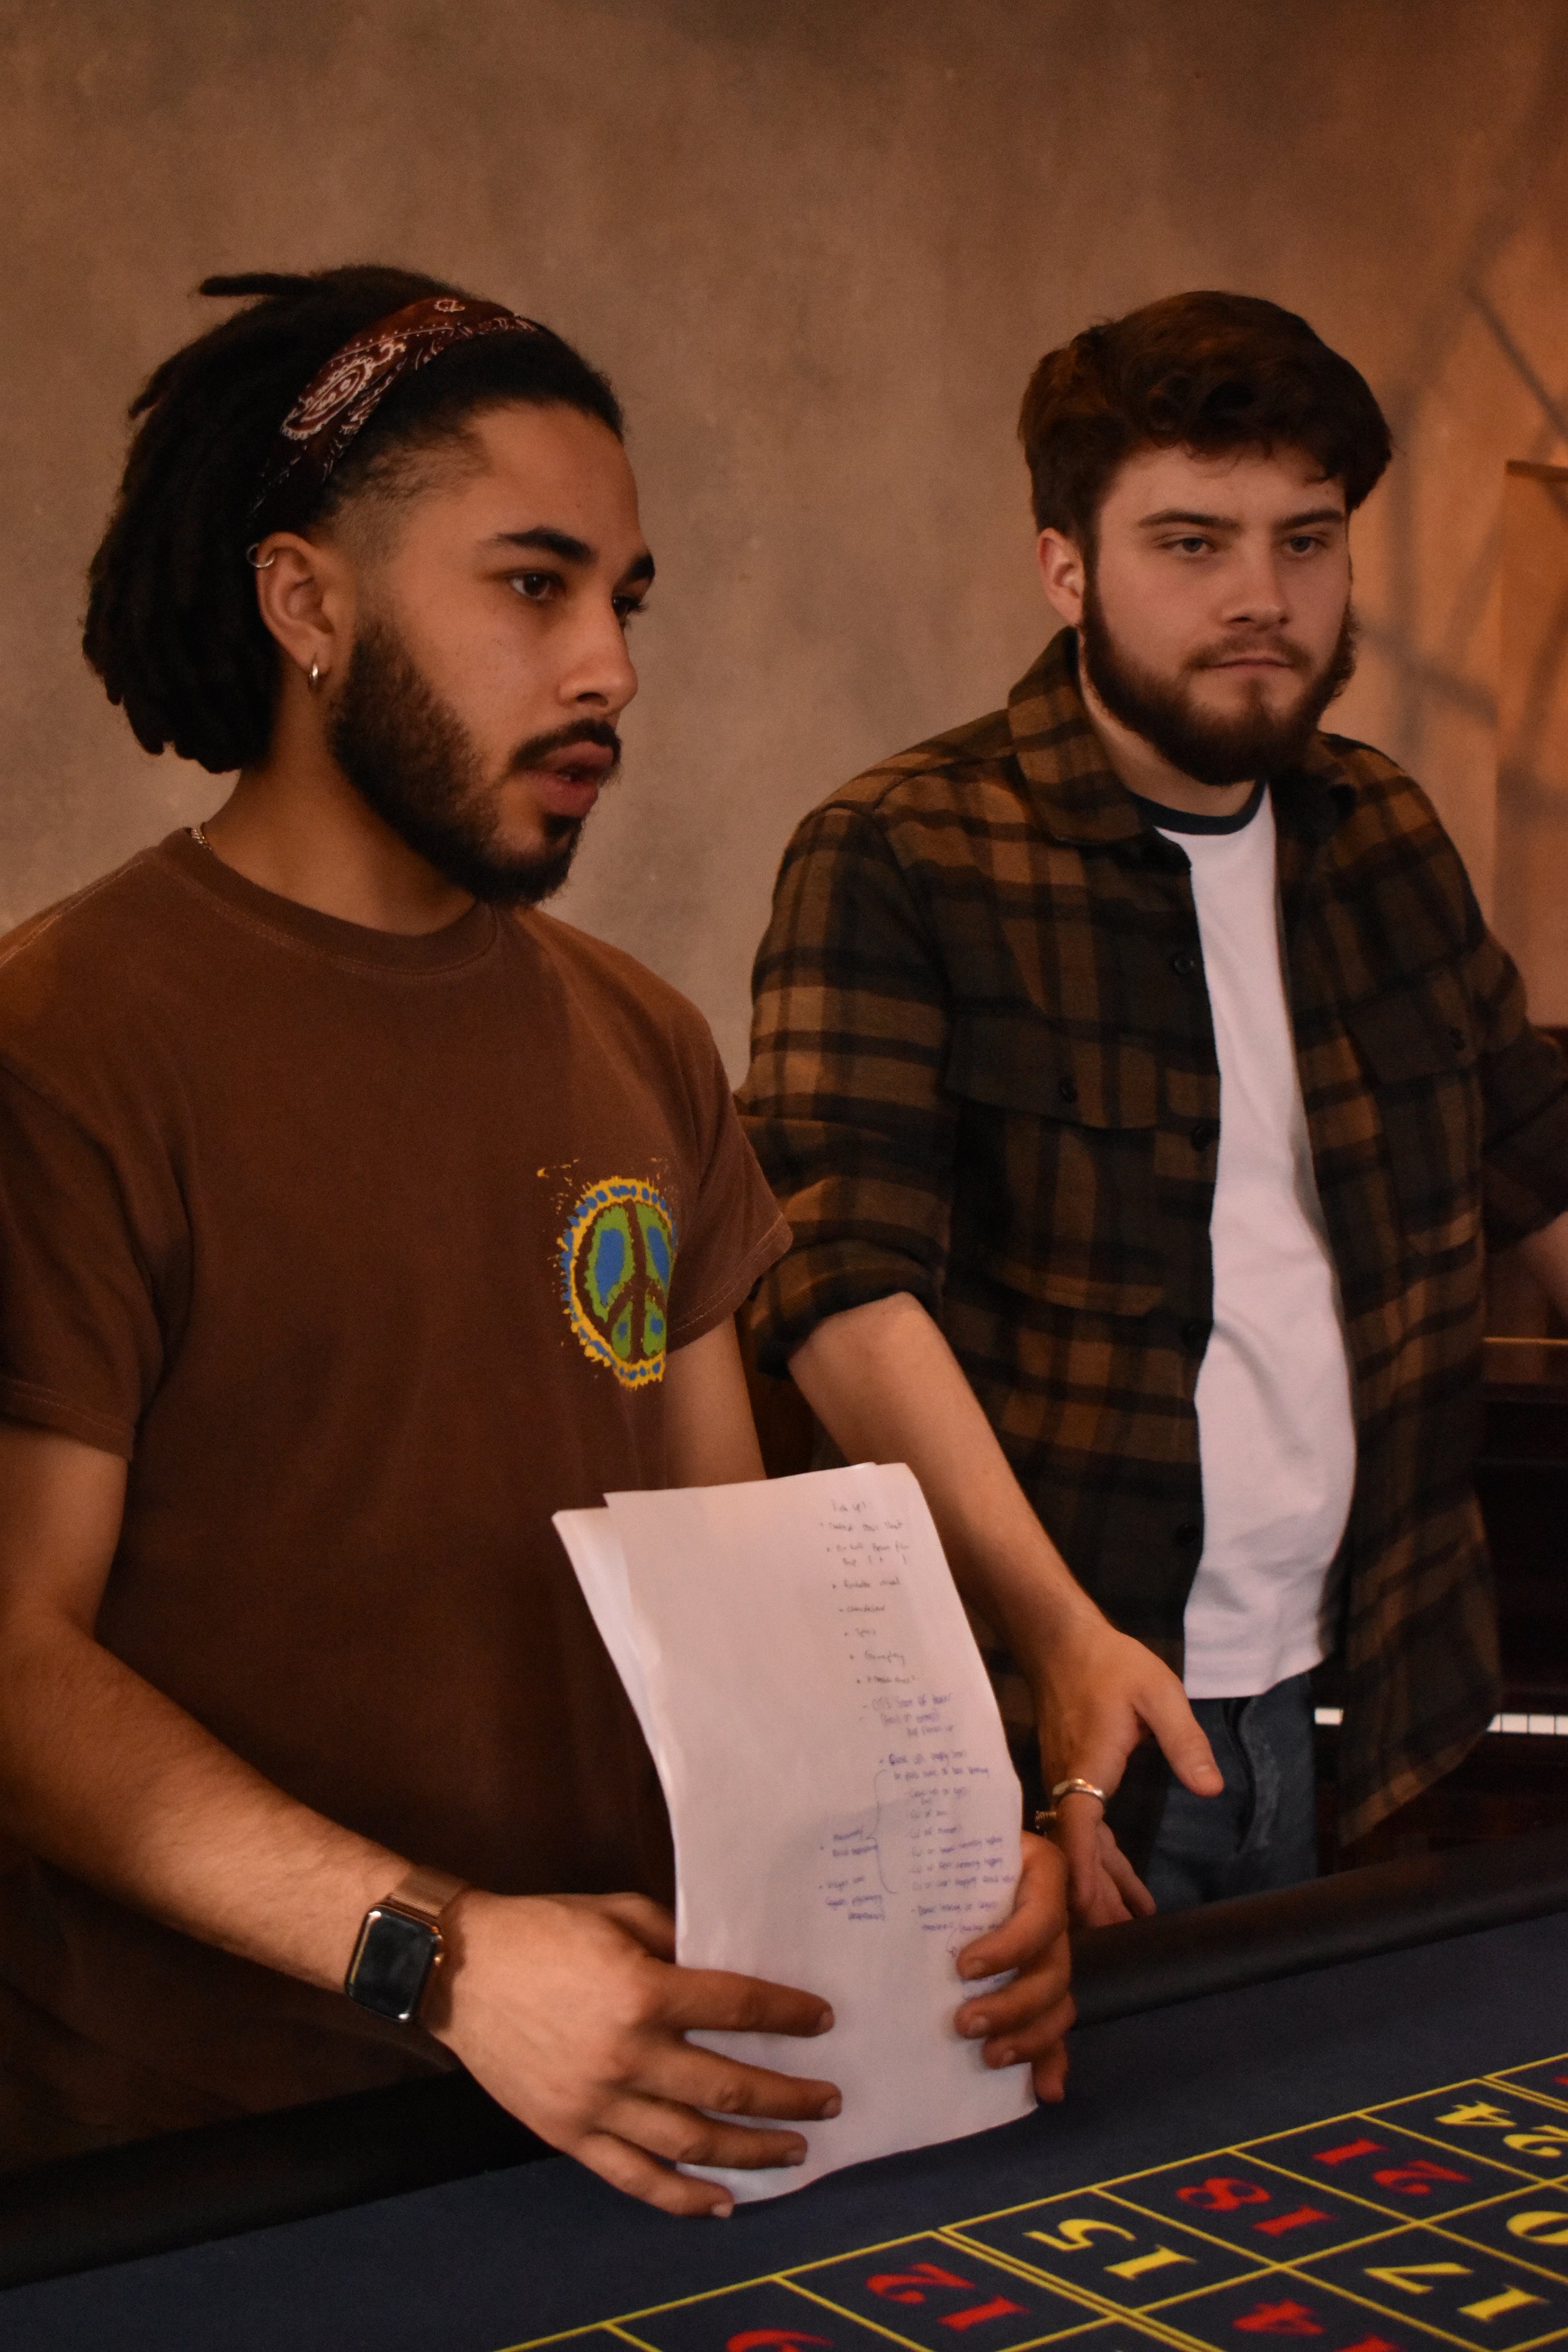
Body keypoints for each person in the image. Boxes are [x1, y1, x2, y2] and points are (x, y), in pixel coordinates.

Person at [0, 267, 1071, 2214]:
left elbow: (735, 1581)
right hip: (216, 2167)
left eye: (624, 601)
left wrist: (947, 1886)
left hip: (645, 2107)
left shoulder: (638, 1035)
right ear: (305, 603)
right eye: (531, 586)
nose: (609, 668)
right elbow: (11, 1659)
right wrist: (447, 1955)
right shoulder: (62, 1044)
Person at [738, 292, 1568, 1922]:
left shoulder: (1382, 829)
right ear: (1064, 565)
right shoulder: (900, 853)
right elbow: (835, 1291)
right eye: (1190, 543)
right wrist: (1055, 1638)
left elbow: (1536, 1167)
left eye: (1304, 542)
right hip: (1061, 1743)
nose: (1262, 600)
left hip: (1385, 1706)